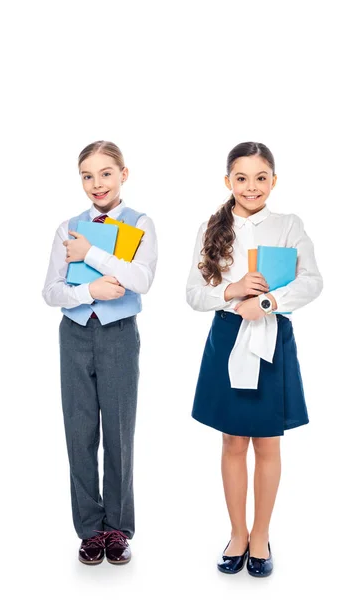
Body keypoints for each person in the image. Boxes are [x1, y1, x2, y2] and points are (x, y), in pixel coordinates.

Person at [186, 141, 323, 577]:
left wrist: (264, 304)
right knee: (231, 442)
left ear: (274, 181)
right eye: (241, 178)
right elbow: (193, 294)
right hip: (226, 339)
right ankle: (237, 533)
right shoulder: (212, 226)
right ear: (228, 181)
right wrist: (233, 289)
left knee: (267, 442)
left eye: (261, 177)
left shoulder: (288, 225)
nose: (251, 186)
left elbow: (313, 281)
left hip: (271, 338)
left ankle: (261, 534)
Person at [42, 140, 158, 565]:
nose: (97, 183)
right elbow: (51, 292)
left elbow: (141, 280)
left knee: (119, 433)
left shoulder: (139, 222)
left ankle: (118, 528)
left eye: (106, 173)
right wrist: (88, 290)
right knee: (80, 431)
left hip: (119, 336)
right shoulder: (67, 226)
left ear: (123, 175)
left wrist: (90, 254)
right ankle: (90, 529)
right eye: (87, 175)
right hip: (74, 335)